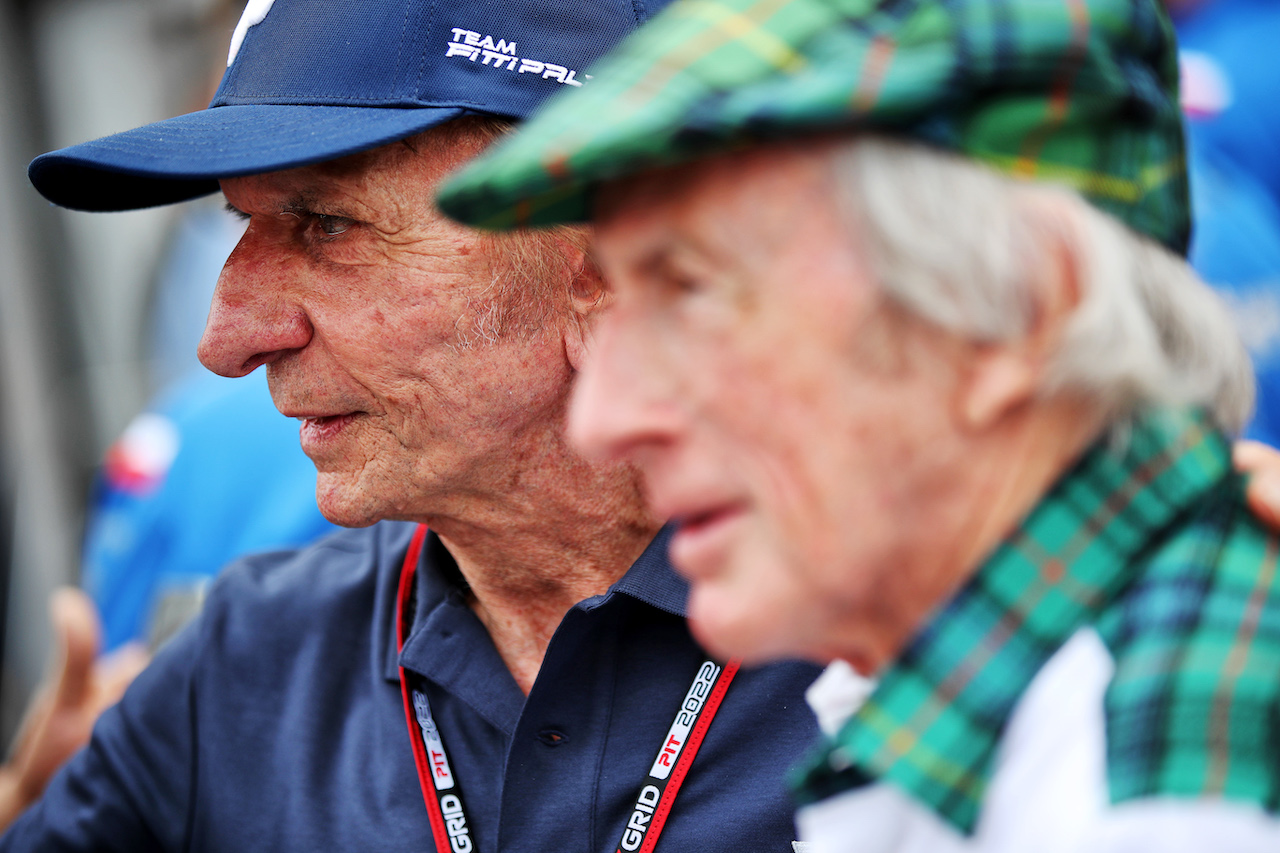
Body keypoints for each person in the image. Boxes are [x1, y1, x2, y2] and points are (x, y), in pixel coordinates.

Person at [437, 0, 1280, 849]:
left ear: (1013, 315)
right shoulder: (1052, 702)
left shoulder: (1161, 782)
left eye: (690, 290)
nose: (604, 420)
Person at [7, 0, 825, 849]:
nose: (227, 341)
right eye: (243, 221)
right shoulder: (242, 675)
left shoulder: (907, 626)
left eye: (328, 225)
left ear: (617, 261)